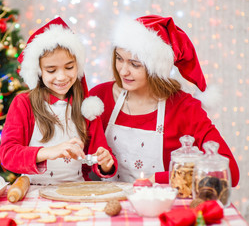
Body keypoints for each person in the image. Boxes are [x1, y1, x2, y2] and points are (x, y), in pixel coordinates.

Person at [89, 15, 239, 186]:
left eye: (135, 64)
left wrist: (159, 179)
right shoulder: (99, 97)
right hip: (109, 207)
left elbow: (230, 172)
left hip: (160, 207)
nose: (123, 71)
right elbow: (84, 161)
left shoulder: (184, 107)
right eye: (119, 58)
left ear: (156, 68)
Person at [0, 17, 117, 185]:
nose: (62, 77)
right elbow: (8, 155)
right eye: (51, 70)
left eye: (69, 67)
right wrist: (49, 152)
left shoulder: (87, 107)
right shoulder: (24, 103)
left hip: (76, 191)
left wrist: (105, 163)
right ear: (39, 71)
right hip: (34, 191)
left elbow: (100, 156)